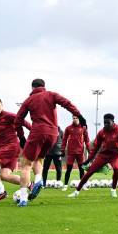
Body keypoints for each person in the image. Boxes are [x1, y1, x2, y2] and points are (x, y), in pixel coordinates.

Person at [15, 78, 85, 206]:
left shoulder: (29, 100)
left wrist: (22, 137)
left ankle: (24, 198)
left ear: (32, 88)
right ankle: (38, 180)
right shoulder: (52, 95)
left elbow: (18, 120)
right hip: (53, 134)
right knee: (39, 158)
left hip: (37, 132)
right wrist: (79, 116)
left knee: (25, 165)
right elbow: (67, 103)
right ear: (44, 86)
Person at [69, 113, 118, 199]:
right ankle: (76, 191)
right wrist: (88, 160)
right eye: (104, 123)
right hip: (103, 155)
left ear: (113, 122)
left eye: (107, 123)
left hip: (115, 155)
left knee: (116, 169)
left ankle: (113, 190)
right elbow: (95, 148)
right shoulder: (101, 132)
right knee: (89, 172)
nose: (105, 125)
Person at [61, 115, 91, 191]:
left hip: (80, 152)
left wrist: (89, 150)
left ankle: (82, 185)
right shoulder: (68, 128)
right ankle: (65, 185)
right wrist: (62, 150)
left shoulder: (83, 128)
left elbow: (87, 140)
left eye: (76, 118)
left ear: (79, 119)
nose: (75, 119)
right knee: (69, 169)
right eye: (73, 118)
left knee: (81, 170)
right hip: (71, 152)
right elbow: (64, 140)